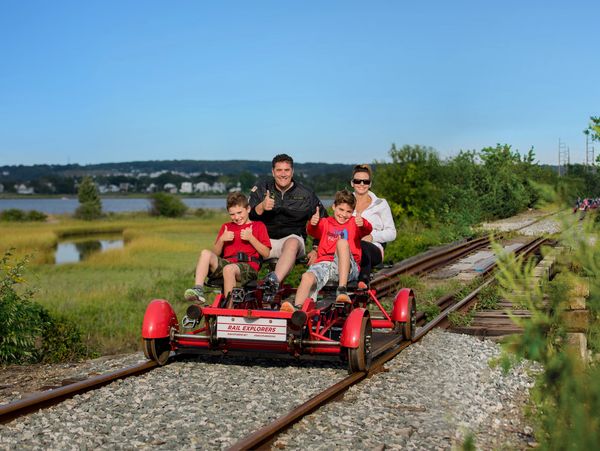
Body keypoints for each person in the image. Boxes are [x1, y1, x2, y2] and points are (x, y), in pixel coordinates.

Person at [281, 189, 372, 311]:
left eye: (348, 211)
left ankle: (342, 290)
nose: (344, 214)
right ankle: (298, 310)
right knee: (307, 276)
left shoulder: (354, 223)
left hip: (348, 267)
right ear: (334, 207)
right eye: (341, 209)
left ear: (353, 212)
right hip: (325, 265)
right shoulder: (325, 223)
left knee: (342, 242)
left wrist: (363, 223)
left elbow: (368, 229)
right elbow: (312, 231)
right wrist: (313, 223)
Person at [249, 153, 327, 294]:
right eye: (279, 170)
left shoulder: (306, 194)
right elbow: (246, 217)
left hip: (293, 241)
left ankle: (272, 283)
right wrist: (261, 206)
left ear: (292, 171)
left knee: (292, 242)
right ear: (273, 172)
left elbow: (325, 223)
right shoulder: (261, 189)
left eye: (287, 170)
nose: (283, 174)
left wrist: (316, 249)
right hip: (263, 242)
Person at [184, 191, 271, 305]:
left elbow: (266, 253)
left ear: (248, 209)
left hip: (249, 267)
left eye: (240, 212)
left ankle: (229, 308)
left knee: (228, 269)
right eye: (232, 214)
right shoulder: (226, 227)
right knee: (205, 253)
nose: (237, 217)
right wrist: (222, 240)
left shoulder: (258, 226)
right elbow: (216, 253)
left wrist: (251, 238)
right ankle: (198, 290)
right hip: (228, 263)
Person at [350, 164, 396, 286]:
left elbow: (392, 233)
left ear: (370, 184)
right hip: (349, 247)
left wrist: (372, 237)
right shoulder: (345, 203)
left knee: (363, 245)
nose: (361, 184)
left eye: (365, 181)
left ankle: (363, 282)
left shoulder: (380, 204)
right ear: (352, 183)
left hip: (372, 248)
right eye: (357, 181)